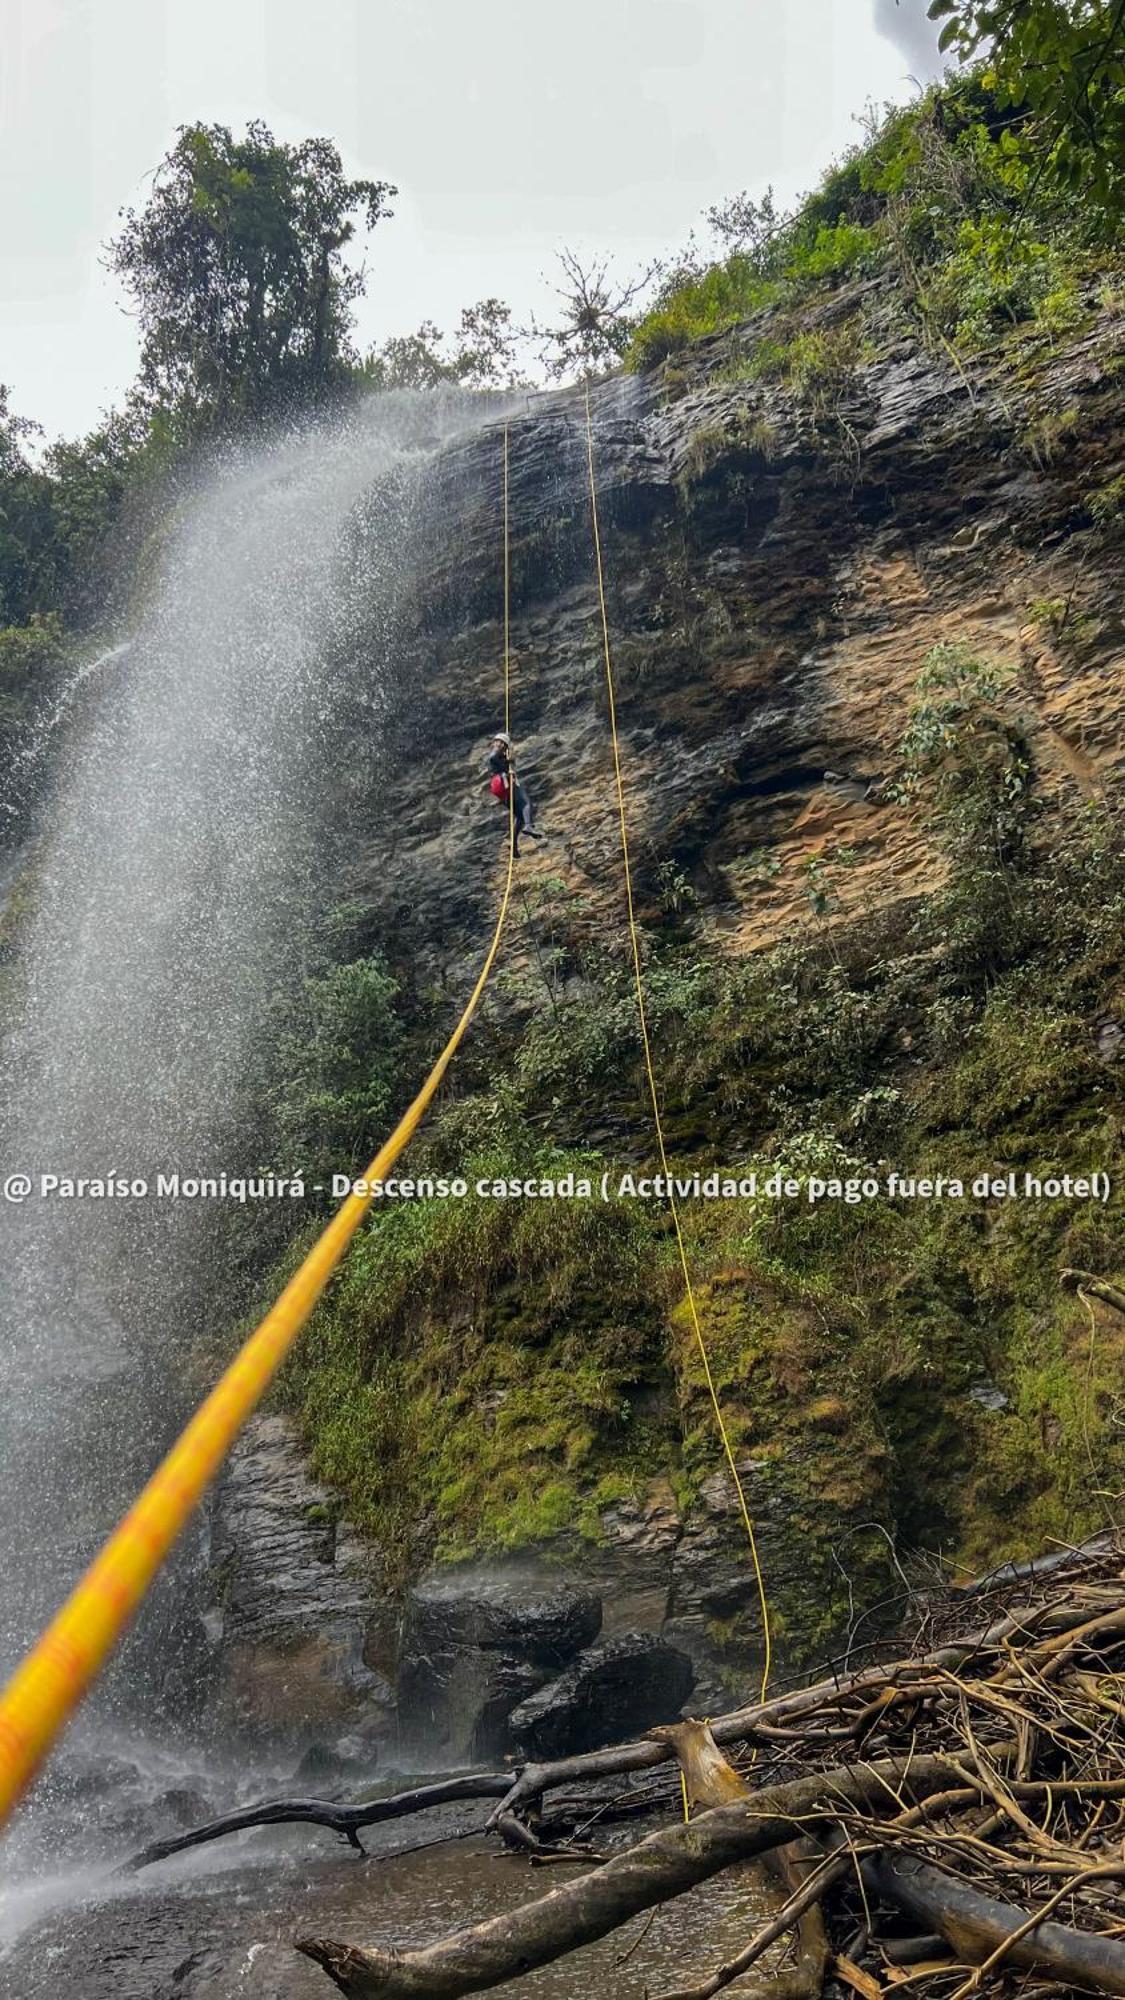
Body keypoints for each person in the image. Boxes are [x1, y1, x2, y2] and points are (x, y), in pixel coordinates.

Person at [488, 730, 543, 855]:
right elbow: (493, 758)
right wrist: (507, 764)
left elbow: (497, 761)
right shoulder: (496, 752)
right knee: (527, 803)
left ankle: (514, 845)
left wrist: (508, 761)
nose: (500, 744)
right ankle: (529, 826)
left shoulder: (501, 755)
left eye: (502, 743)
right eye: (499, 742)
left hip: (499, 788)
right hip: (504, 782)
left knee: (520, 816)